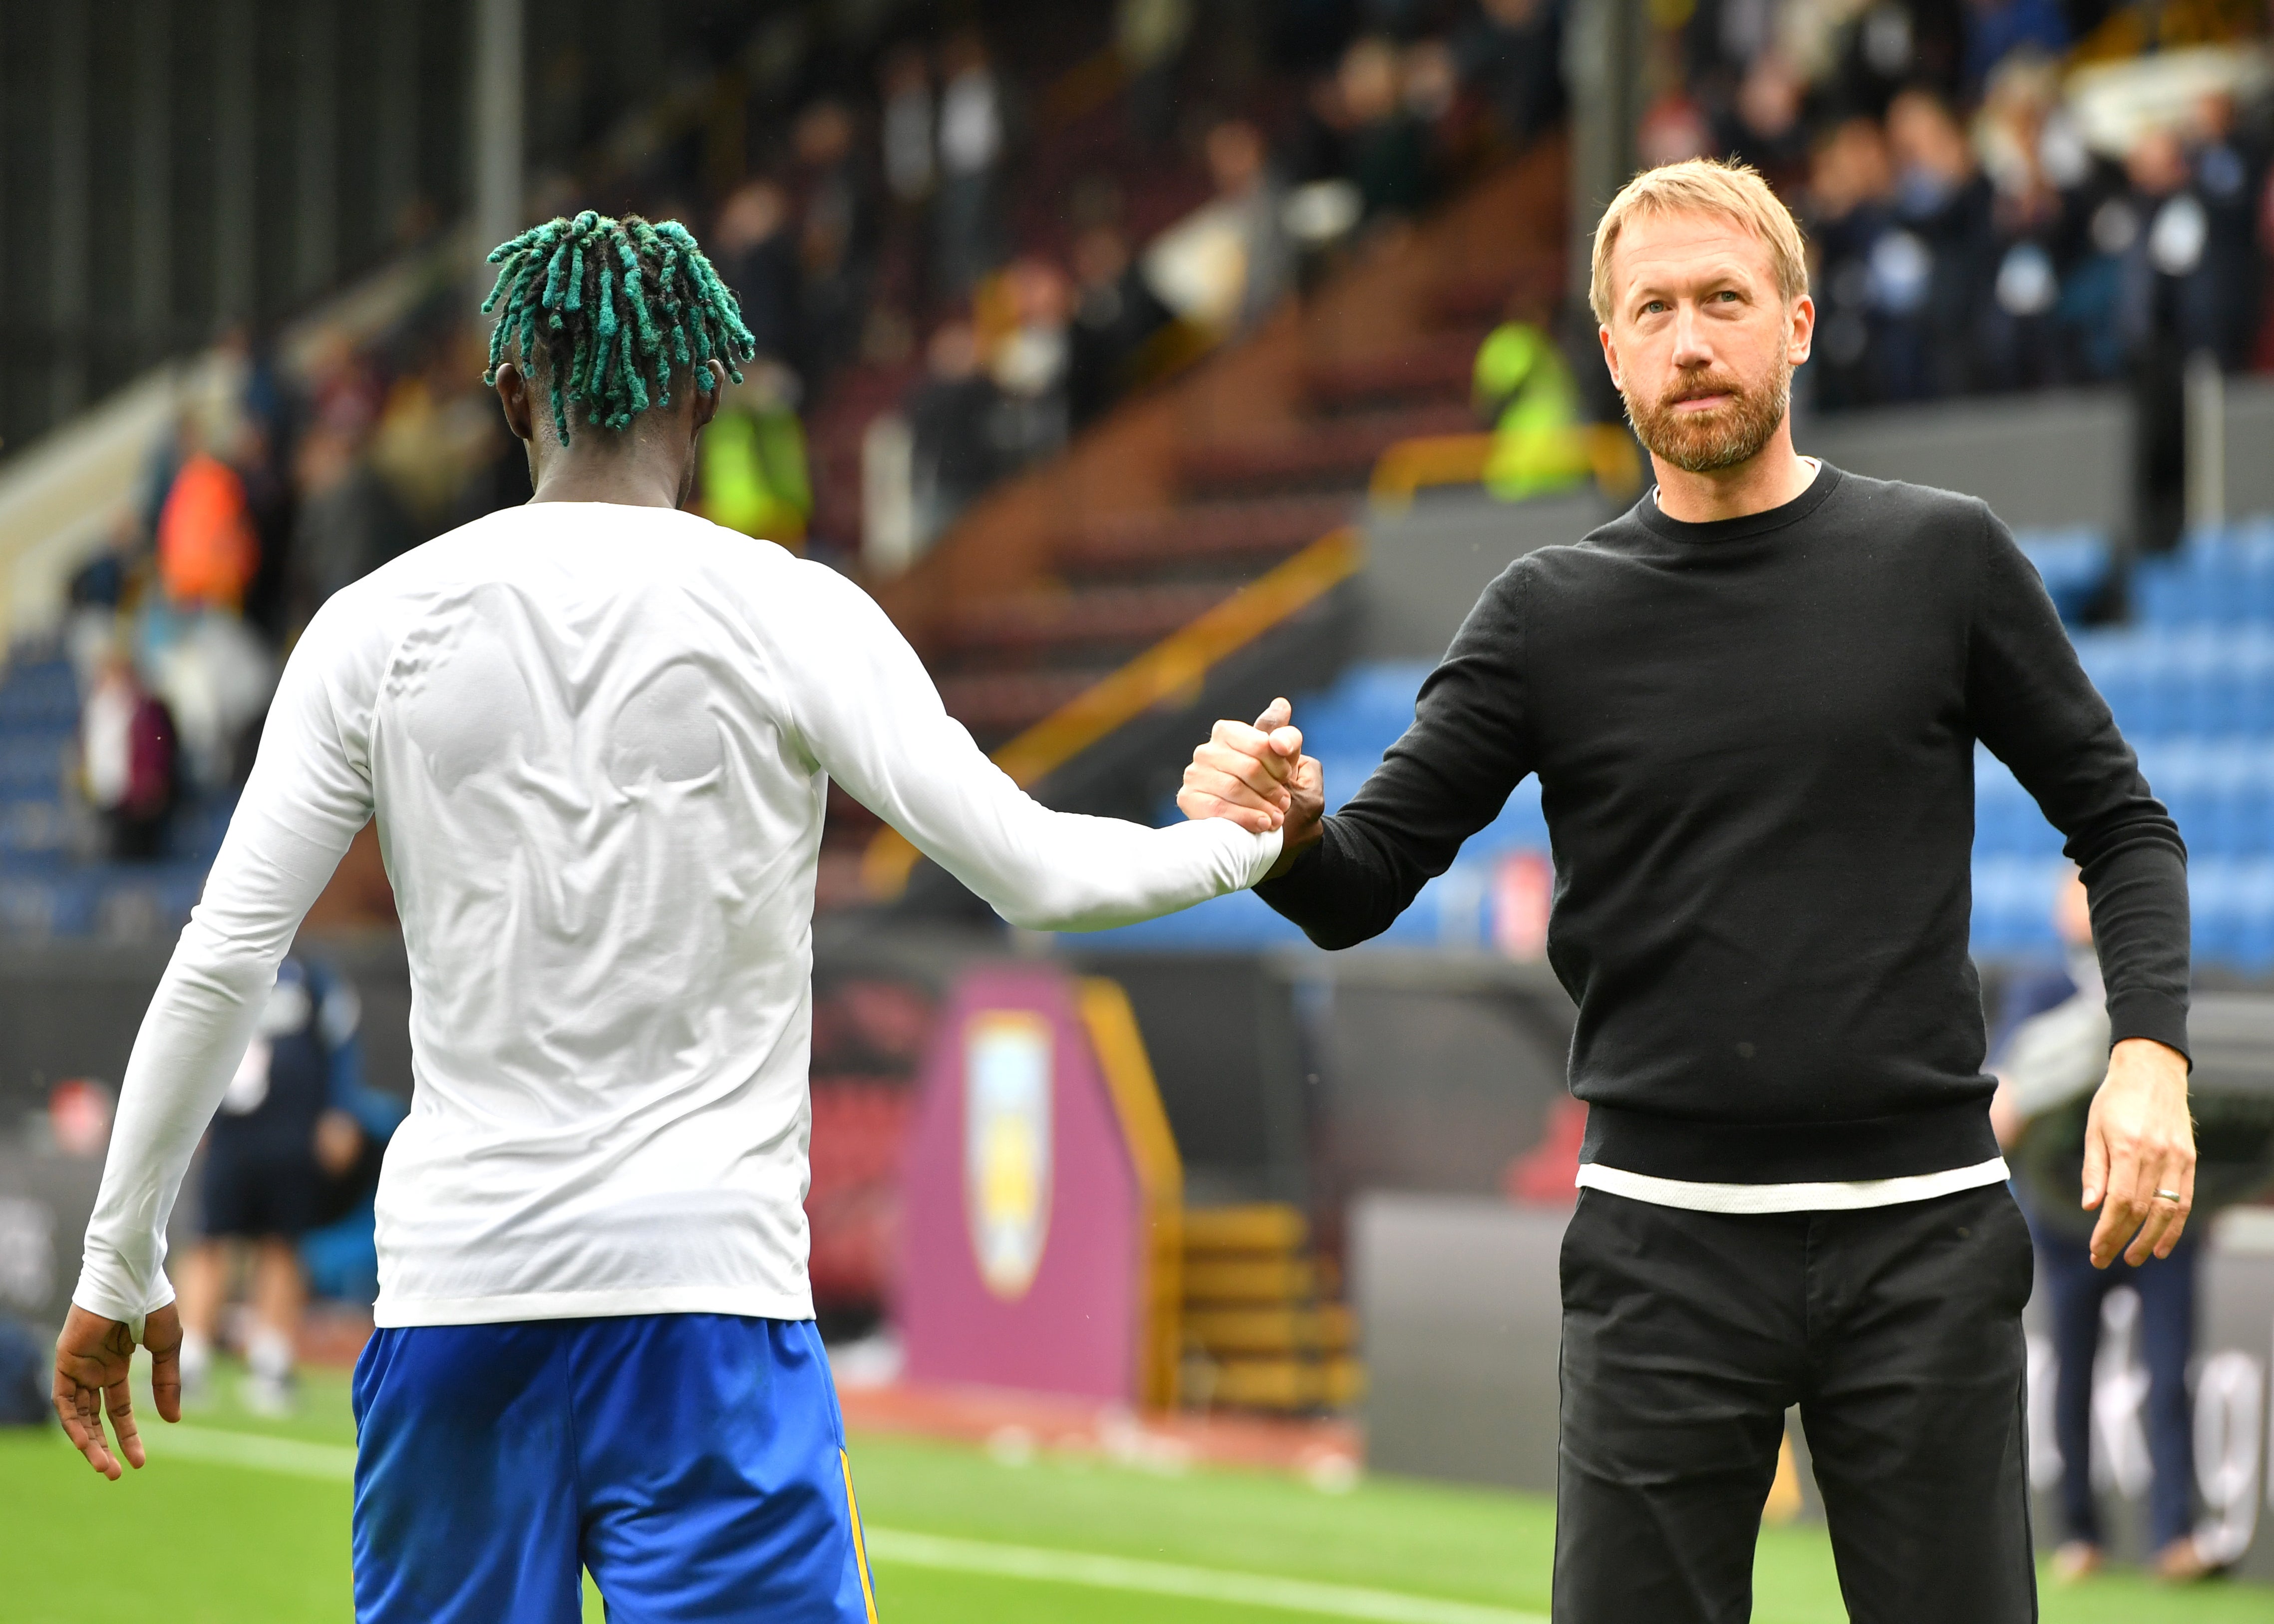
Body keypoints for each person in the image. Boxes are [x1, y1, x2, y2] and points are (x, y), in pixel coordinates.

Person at [54, 210, 1288, 1624]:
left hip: (460, 1307)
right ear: (707, 385)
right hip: (710, 1315)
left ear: (512, 391)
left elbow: (225, 956)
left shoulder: (372, 627)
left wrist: (120, 1251)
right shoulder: (790, 610)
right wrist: (1243, 849)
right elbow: (1040, 874)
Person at [1181, 158, 2195, 1623]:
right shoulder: (1544, 615)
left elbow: (2124, 821)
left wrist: (2148, 1051)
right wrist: (1276, 832)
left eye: (1723, 300)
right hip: (1662, 1249)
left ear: (1796, 324)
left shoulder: (1943, 557)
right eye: (1651, 308)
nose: (1689, 338)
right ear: (1610, 352)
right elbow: (1358, 884)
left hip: (1922, 1235)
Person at [1989, 872, 2208, 1583]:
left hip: (2163, 1214)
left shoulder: (2168, 989)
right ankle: (2077, 1533)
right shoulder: (2039, 986)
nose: (2082, 900)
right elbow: (2006, 1102)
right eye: (2072, 889)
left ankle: (2175, 1534)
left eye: (2094, 887)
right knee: (2070, 1375)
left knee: (2169, 1371)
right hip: (2066, 1219)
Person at [175, 954, 381, 1416]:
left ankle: (271, 1360)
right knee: (211, 1240)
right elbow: (193, 1038)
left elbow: (342, 1043)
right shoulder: (219, 964)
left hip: (293, 1136)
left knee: (282, 1245)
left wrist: (341, 1110)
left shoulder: (314, 977)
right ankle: (188, 1358)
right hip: (234, 1133)